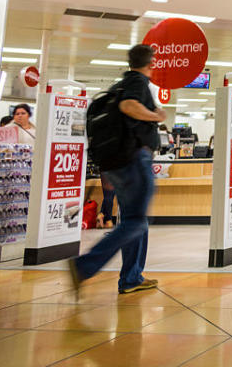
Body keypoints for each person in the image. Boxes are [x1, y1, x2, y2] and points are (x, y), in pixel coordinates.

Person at [69, 44, 164, 295]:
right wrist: (156, 116)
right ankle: (84, 266)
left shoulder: (117, 86)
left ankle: (132, 277)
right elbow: (128, 106)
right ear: (151, 63)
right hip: (134, 161)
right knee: (136, 222)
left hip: (117, 163)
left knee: (135, 219)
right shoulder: (137, 83)